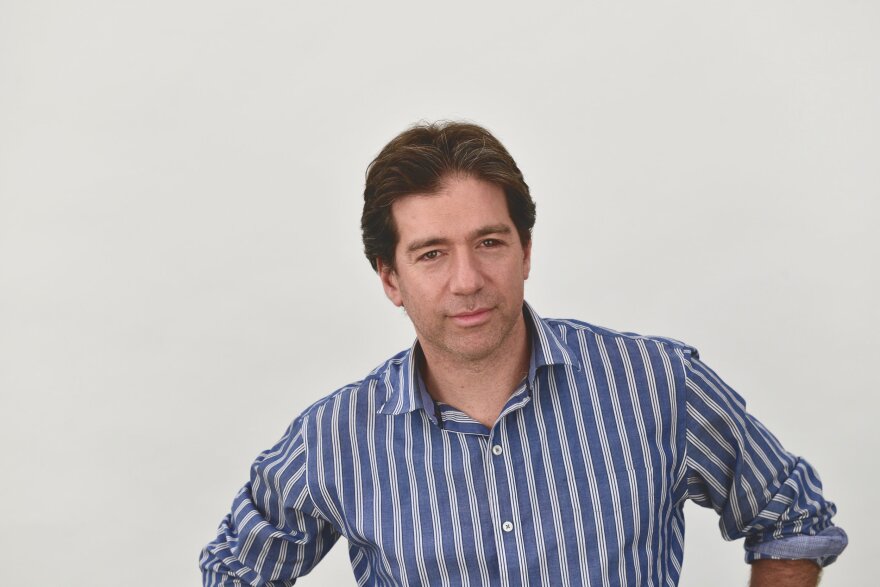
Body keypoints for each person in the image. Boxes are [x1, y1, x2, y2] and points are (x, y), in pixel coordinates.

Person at [199, 121, 847, 586]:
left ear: (526, 250)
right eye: (431, 253)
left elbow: (790, 516)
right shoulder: (335, 439)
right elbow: (233, 573)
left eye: (489, 242)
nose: (467, 279)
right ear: (389, 278)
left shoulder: (657, 384)